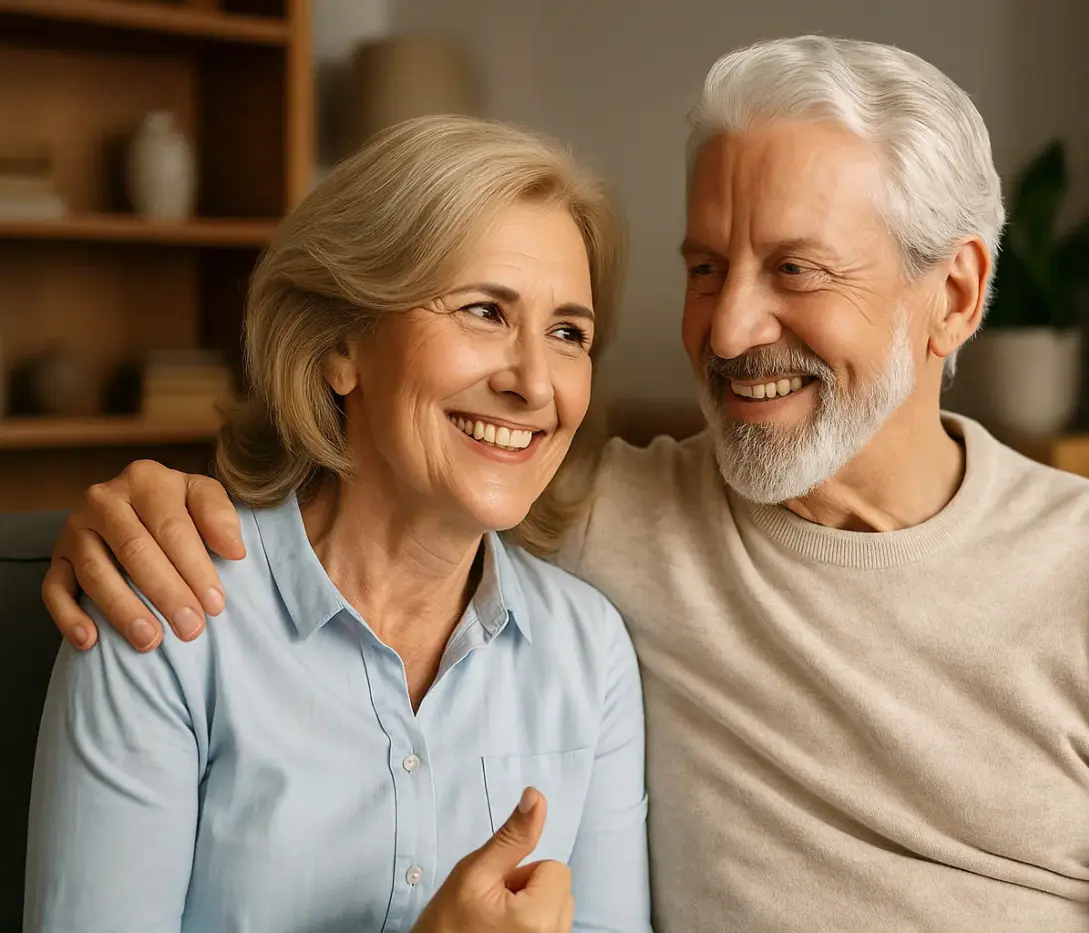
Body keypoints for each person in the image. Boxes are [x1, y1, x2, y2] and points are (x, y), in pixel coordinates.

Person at [39, 36, 1089, 933]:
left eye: (795, 269)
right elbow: (403, 482)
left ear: (956, 294)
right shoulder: (596, 524)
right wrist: (136, 505)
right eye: (706, 267)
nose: (729, 328)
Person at [25, 115, 650, 933]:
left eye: (568, 332)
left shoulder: (590, 652)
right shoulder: (169, 608)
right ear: (341, 344)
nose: (536, 383)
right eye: (483, 311)